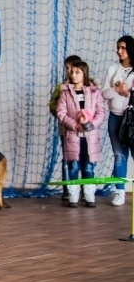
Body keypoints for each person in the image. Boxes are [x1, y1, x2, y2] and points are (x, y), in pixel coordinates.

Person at [57, 60, 106, 207]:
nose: (73, 75)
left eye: (77, 72)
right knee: (73, 166)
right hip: (73, 137)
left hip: (90, 137)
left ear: (84, 73)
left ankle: (89, 197)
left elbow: (101, 112)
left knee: (89, 166)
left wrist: (91, 125)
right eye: (72, 72)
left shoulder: (95, 92)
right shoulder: (65, 93)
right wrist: (74, 125)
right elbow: (61, 113)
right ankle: (73, 197)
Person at [101, 35, 134, 206]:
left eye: (123, 47)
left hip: (132, 119)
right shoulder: (113, 68)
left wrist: (128, 93)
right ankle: (120, 191)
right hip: (115, 118)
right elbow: (104, 94)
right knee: (120, 156)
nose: (119, 51)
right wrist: (117, 89)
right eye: (118, 47)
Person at [49, 55, 83, 201]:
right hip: (66, 131)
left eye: (72, 68)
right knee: (67, 160)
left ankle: (82, 189)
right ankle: (67, 190)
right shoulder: (61, 87)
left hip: (83, 132)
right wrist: (61, 109)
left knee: (82, 159)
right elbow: (52, 106)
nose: (69, 72)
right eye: (67, 68)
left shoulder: (87, 87)